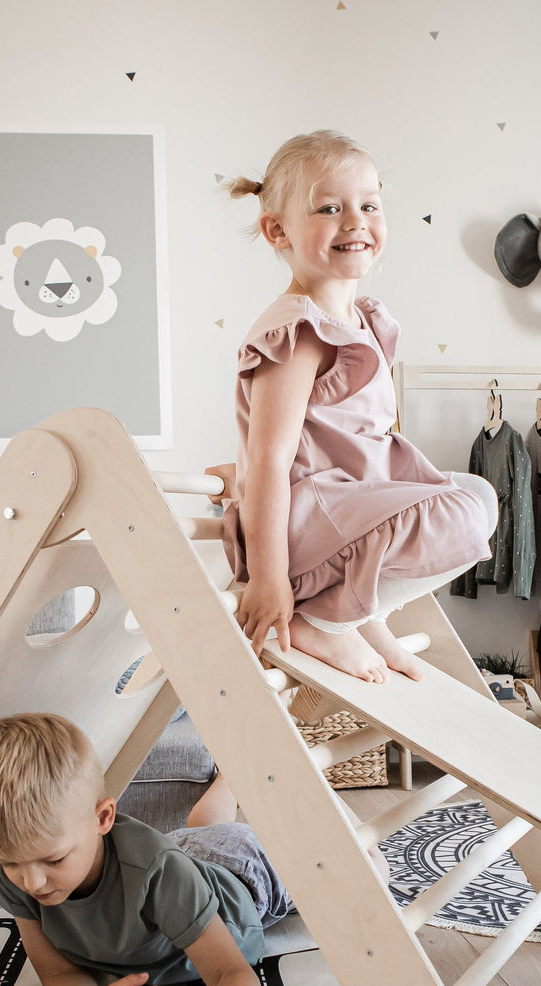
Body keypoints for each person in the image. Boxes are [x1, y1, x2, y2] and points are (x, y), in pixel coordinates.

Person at [220, 130, 498, 684]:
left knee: (479, 494)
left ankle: (360, 616)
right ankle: (322, 619)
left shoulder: (363, 321)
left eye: (368, 205)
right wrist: (268, 579)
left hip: (345, 512)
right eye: (329, 208)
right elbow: (271, 459)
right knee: (462, 515)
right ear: (279, 230)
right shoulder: (297, 332)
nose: (355, 222)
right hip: (306, 523)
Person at [0, 712, 292, 986]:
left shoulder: (160, 873)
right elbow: (58, 972)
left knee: (337, 864)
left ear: (103, 818)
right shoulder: (14, 866)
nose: (31, 884)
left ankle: (235, 775)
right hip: (172, 859)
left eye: (53, 860)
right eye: (11, 862)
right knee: (197, 831)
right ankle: (227, 782)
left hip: (242, 872)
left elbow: (232, 975)